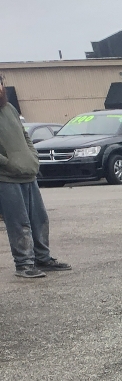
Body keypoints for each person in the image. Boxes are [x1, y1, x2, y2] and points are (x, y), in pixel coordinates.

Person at [0, 75, 70, 279]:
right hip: (6, 178)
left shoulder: (9, 108)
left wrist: (33, 157)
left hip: (28, 173)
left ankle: (43, 258)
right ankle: (24, 264)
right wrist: (8, 163)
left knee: (40, 219)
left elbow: (25, 135)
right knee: (19, 223)